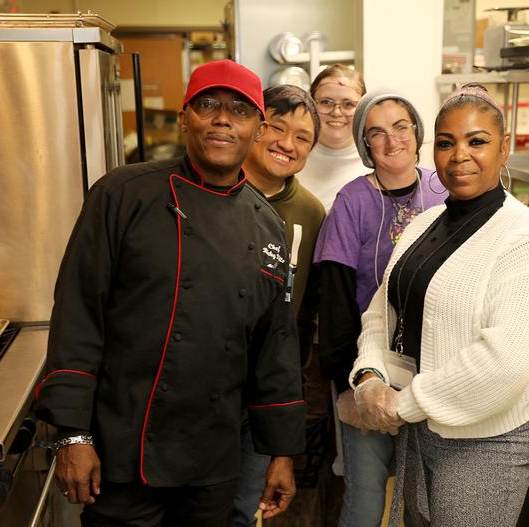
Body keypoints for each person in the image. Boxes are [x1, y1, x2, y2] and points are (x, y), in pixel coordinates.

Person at [35, 60, 306, 527]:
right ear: (185, 118)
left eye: (239, 111)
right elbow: (79, 314)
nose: (223, 119)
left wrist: (281, 452)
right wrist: (72, 435)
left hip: (214, 460)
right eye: (208, 106)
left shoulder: (268, 226)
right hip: (122, 450)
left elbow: (274, 348)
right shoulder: (122, 195)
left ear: (258, 129)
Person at [349, 84, 529, 527]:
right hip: (421, 424)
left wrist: (403, 405)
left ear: (504, 149)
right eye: (446, 143)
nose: (459, 154)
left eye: (477, 141)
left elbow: (505, 361)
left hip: (485, 441)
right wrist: (369, 376)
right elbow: (381, 310)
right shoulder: (425, 222)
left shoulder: (526, 236)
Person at [314, 91, 447, 527]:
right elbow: (333, 300)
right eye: (377, 133)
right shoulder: (350, 202)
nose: (392, 141)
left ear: (417, 132)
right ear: (364, 145)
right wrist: (347, 386)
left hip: (435, 371)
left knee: (424, 499)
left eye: (401, 127)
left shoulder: (443, 190)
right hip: (366, 371)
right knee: (367, 497)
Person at [232, 84, 326, 527]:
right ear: (253, 125)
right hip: (201, 392)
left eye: (302, 137)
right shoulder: (210, 192)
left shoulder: (311, 212)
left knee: (245, 508)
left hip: (267, 392)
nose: (286, 144)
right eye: (275, 127)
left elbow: (304, 317)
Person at [297, 64, 368, 210]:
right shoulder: (291, 153)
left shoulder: (375, 162)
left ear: (362, 109)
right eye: (326, 102)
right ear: (310, 104)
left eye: (348, 104)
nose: (336, 112)